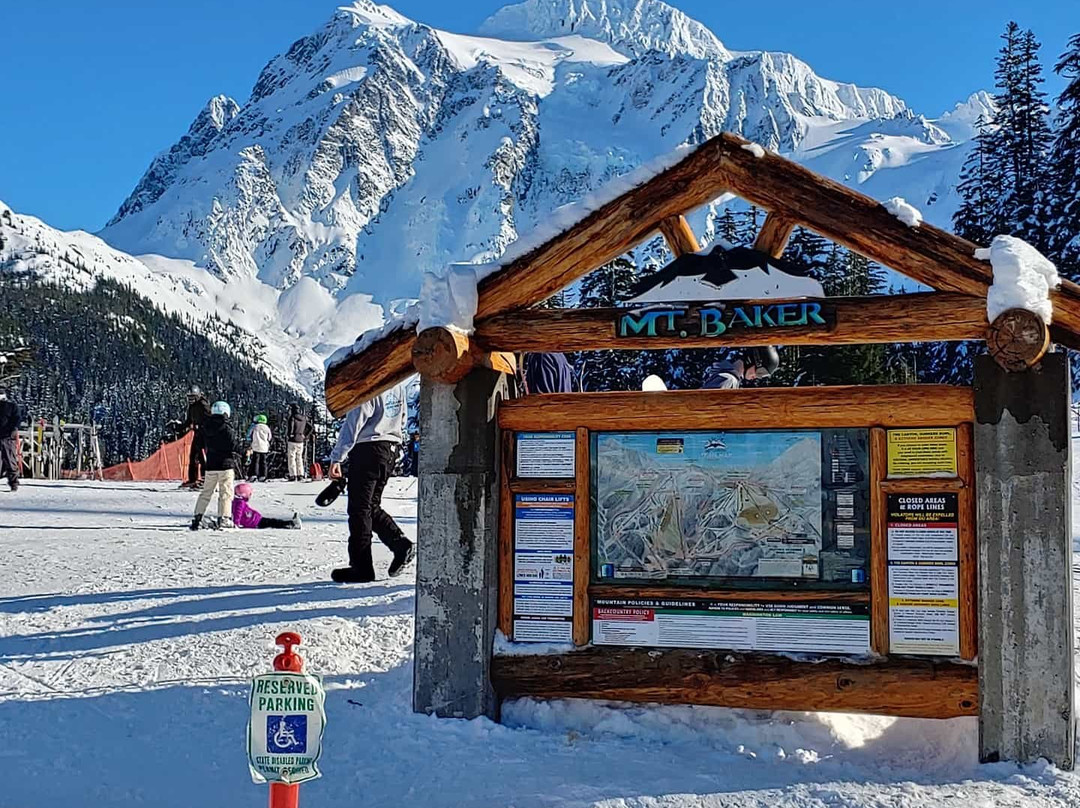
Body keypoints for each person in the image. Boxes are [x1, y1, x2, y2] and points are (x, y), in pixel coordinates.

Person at [328, 382, 414, 583]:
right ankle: (400, 545)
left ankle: (361, 567)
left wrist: (337, 457)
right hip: (389, 448)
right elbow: (402, 417)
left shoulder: (370, 383)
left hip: (368, 448)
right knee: (370, 506)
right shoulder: (396, 384)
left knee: (359, 510)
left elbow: (354, 422)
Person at [191, 401, 240, 531]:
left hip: (211, 465)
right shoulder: (226, 427)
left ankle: (198, 516)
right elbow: (233, 445)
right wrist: (245, 450)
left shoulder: (205, 426)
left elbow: (198, 444)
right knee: (226, 493)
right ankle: (224, 518)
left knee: (206, 492)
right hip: (226, 464)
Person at [702, 346, 780, 390]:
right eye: (761, 372)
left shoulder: (721, 372)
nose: (757, 377)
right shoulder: (728, 380)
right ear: (754, 360)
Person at [232, 482, 302, 529]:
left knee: (272, 522)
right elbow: (237, 513)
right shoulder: (240, 503)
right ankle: (292, 524)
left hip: (257, 519)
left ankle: (290, 523)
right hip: (256, 522)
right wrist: (236, 524)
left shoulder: (238, 502)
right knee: (273, 523)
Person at [180, 386, 211, 489]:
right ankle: (192, 479)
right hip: (197, 433)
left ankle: (205, 479)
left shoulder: (203, 404)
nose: (191, 399)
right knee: (193, 456)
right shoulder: (192, 406)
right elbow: (189, 421)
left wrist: (204, 427)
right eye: (189, 397)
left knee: (203, 456)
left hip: (204, 434)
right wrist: (181, 427)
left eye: (193, 397)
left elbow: (209, 417)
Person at [0, 390, 23, 492]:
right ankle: (13, 482)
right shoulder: (12, 406)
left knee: (10, 460)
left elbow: (17, 419)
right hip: (7, 437)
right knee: (10, 460)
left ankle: (13, 483)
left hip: (7, 437)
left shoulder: (12, 406)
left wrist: (14, 429)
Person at [285, 404, 313, 481]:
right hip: (301, 440)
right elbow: (310, 427)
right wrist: (305, 435)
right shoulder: (303, 418)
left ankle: (293, 475)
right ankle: (300, 474)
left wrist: (290, 435)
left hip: (293, 439)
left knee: (291, 457)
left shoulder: (292, 417)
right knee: (299, 457)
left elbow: (291, 426)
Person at [247, 414, 271, 482]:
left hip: (256, 446)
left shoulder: (254, 427)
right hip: (264, 447)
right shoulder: (267, 428)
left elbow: (249, 435)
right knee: (263, 461)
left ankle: (253, 474)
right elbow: (269, 437)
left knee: (255, 461)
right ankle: (263, 475)